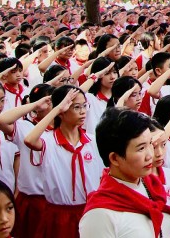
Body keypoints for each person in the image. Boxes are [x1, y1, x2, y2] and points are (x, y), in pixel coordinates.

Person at [79, 107, 170, 237]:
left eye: (150, 144)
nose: (150, 155)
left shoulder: (153, 186)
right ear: (115, 158)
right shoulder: (99, 215)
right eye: (141, 148)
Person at [23, 85, 103, 237]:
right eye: (76, 107)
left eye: (84, 106)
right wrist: (56, 109)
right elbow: (29, 140)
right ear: (62, 111)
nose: (83, 111)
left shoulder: (92, 141)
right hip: (58, 215)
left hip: (89, 212)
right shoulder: (48, 140)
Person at [0, 83, 55, 238]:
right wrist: (34, 105)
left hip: (53, 201)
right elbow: (1, 119)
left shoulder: (64, 131)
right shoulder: (25, 128)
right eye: (47, 101)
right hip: (30, 199)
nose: (52, 106)